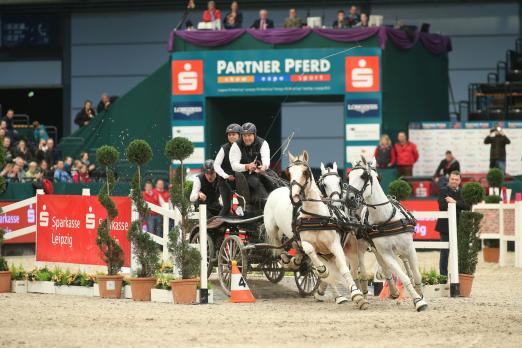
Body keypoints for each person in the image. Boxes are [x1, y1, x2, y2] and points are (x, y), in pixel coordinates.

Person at [435, 171, 469, 276]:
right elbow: (443, 207)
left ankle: (459, 276)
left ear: (460, 181)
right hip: (445, 227)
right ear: (449, 179)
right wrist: (459, 204)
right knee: (444, 253)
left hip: (460, 226)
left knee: (460, 253)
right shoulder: (443, 190)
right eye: (452, 179)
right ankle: (443, 277)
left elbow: (467, 205)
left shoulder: (463, 192)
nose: (454, 181)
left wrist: (454, 202)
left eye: (456, 179)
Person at [229, 122, 270, 210]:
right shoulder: (236, 145)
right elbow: (234, 165)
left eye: (249, 135)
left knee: (274, 179)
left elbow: (266, 159)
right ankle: (267, 204)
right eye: (244, 136)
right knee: (256, 182)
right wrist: (246, 166)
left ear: (254, 135)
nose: (247, 138)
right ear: (241, 136)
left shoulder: (263, 143)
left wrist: (264, 167)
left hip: (261, 171)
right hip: (245, 174)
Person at [214, 123, 242, 216]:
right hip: (225, 181)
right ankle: (217, 225)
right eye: (229, 135)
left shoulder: (244, 147)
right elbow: (216, 165)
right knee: (226, 207)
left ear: (239, 135)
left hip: (240, 180)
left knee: (244, 205)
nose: (231, 136)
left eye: (233, 134)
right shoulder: (224, 148)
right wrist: (226, 176)